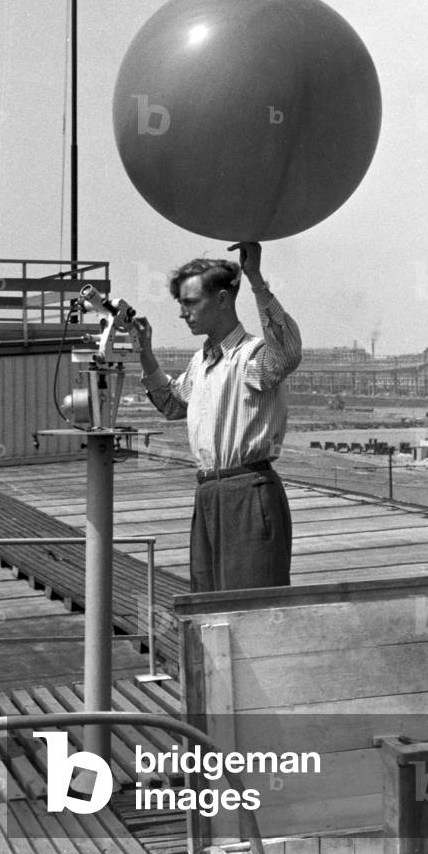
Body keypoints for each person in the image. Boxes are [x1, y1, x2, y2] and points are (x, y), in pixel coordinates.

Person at [133, 241, 302, 592]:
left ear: (223, 299)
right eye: (181, 304)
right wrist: (146, 354)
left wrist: (255, 278)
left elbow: (285, 356)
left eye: (190, 302)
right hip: (209, 493)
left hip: (248, 490)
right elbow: (170, 405)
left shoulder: (251, 355)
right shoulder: (201, 362)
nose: (182, 314)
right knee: (209, 606)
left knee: (253, 602)